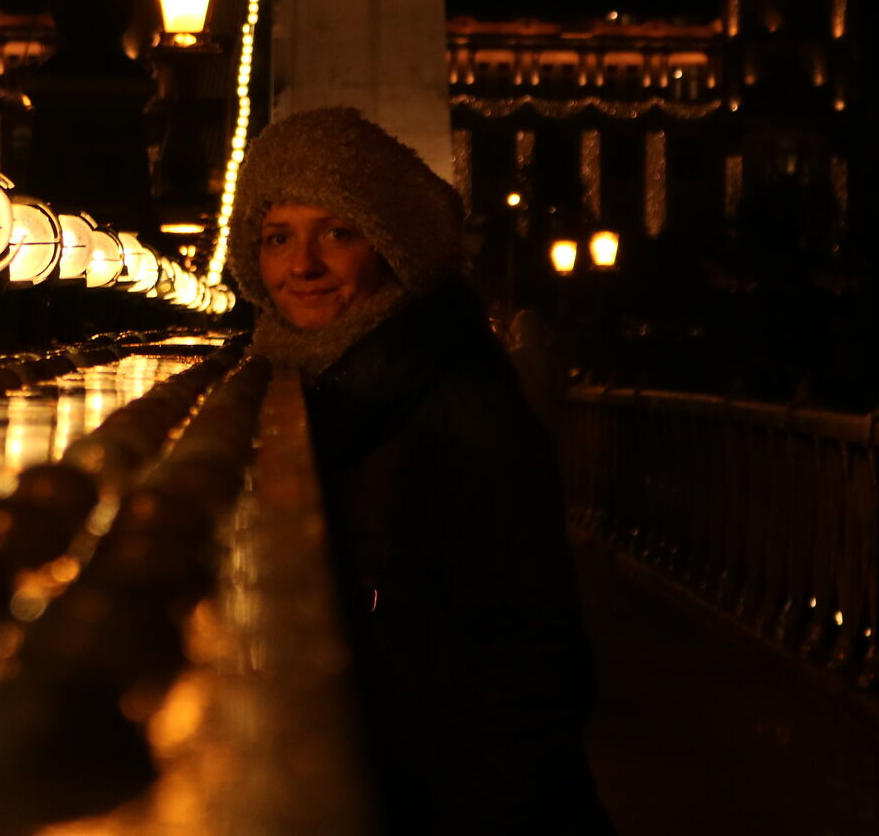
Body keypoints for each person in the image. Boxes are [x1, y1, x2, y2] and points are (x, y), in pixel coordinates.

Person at [228, 107, 613, 834]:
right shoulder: (309, 386)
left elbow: (531, 666)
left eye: (337, 232)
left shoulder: (461, 410)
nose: (301, 266)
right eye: (278, 237)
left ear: (393, 244)